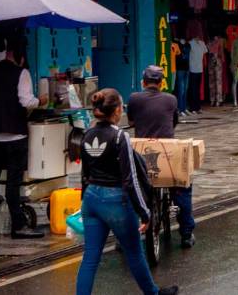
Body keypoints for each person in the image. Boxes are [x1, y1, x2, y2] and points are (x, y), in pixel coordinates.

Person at [76, 89, 178, 295]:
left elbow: (84, 173)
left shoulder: (87, 135)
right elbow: (130, 178)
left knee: (90, 258)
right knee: (134, 253)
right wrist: (144, 211)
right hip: (116, 201)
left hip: (91, 199)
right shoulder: (119, 137)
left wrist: (83, 203)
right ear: (116, 111)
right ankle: (153, 293)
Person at [0, 41, 46, 238]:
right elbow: (26, 101)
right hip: (16, 136)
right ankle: (18, 226)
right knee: (13, 183)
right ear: (21, 57)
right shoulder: (21, 74)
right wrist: (40, 101)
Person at [127, 66, 196, 248]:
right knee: (183, 188)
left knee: (130, 192)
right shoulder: (171, 99)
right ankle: (187, 233)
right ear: (161, 83)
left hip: (141, 157)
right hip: (167, 155)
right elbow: (174, 123)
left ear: (143, 82)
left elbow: (131, 121)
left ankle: (123, 236)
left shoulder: (134, 99)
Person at [187, 34, 207, 113]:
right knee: (193, 89)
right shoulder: (190, 43)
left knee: (197, 89)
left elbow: (205, 52)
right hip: (192, 68)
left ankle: (198, 107)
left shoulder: (202, 43)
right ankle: (192, 107)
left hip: (199, 68)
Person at [172, 37, 190, 116]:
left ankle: (184, 108)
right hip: (179, 69)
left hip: (186, 69)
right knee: (181, 90)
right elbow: (179, 57)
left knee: (185, 90)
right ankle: (180, 109)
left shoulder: (187, 45)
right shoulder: (175, 44)